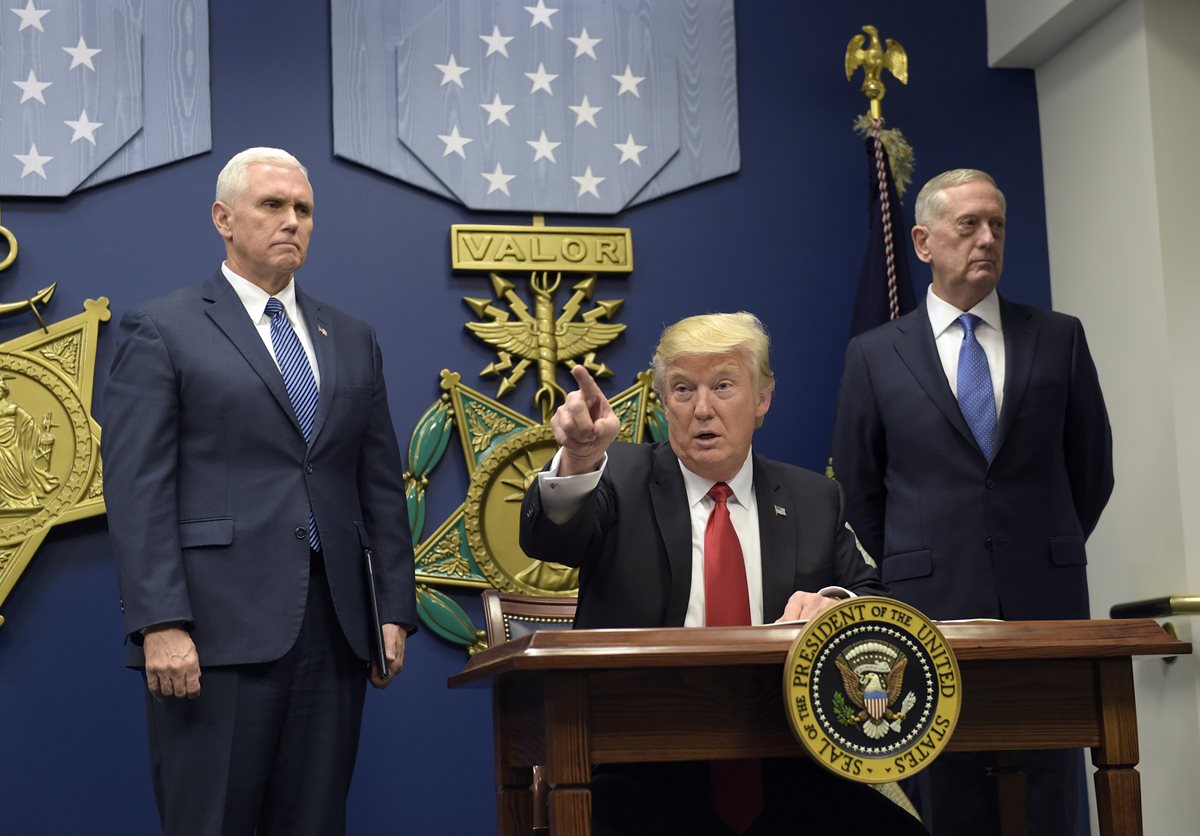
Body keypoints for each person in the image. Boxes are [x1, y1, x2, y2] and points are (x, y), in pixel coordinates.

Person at [102, 147, 416, 836]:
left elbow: (379, 484)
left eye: (303, 209)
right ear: (223, 218)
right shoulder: (162, 328)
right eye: (272, 206)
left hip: (334, 631)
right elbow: (136, 488)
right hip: (210, 636)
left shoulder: (353, 338)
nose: (292, 221)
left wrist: (391, 607)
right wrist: (161, 622)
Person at [520, 312, 927, 836]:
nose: (703, 409)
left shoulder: (813, 498)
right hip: (644, 767)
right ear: (663, 403)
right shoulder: (616, 476)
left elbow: (875, 600)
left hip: (787, 761)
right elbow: (551, 539)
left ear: (762, 400)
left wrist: (835, 603)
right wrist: (577, 458)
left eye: (724, 386)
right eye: (683, 390)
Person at [831, 168, 1114, 835]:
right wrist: (917, 564)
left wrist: (1039, 548)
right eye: (969, 226)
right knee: (946, 799)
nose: (987, 238)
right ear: (924, 242)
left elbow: (1090, 471)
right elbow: (859, 490)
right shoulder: (875, 356)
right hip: (926, 614)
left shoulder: (1059, 337)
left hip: (1045, 612)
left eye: (997, 225)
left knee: (1051, 795)